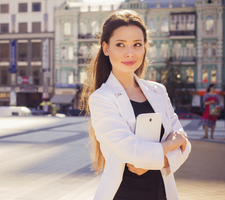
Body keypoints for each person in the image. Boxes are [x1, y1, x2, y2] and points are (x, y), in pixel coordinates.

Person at [80, 10, 191, 200]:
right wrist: (171, 143)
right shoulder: (102, 98)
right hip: (122, 194)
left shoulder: (158, 91)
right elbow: (134, 153)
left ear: (144, 48)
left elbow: (186, 147)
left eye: (137, 44)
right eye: (120, 44)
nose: (130, 53)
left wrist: (154, 160)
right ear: (106, 48)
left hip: (163, 193)